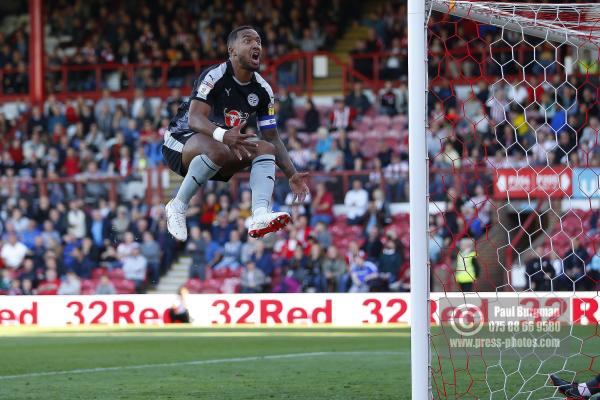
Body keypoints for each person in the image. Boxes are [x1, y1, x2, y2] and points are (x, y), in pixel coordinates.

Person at [163, 26, 309, 241]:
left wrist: (291, 174)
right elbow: (195, 119)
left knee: (265, 148)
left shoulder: (263, 90)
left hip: (220, 150)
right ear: (232, 50)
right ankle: (177, 205)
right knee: (218, 148)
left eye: (258, 41)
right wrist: (223, 135)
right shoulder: (214, 75)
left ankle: (259, 214)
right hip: (180, 141)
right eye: (248, 40)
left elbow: (272, 137)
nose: (256, 45)